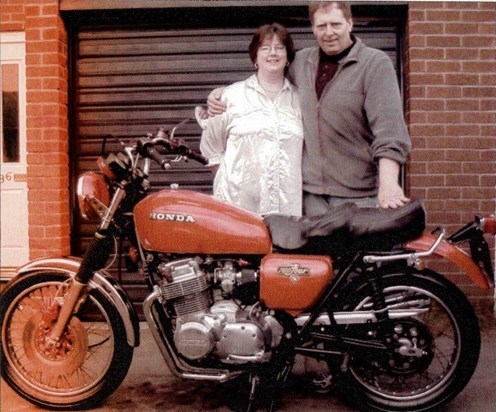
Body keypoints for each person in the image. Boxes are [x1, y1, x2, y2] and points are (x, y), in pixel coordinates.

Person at [206, 1, 411, 215]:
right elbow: (269, 76)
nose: (329, 33)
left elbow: (389, 131)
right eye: (322, 26)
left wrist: (389, 184)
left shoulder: (374, 64)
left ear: (350, 23)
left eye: (336, 24)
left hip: (358, 197)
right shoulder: (302, 62)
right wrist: (223, 93)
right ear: (313, 28)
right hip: (309, 199)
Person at [197, 23, 303, 216]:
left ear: (288, 57)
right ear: (255, 57)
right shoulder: (231, 96)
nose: (273, 53)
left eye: (280, 48)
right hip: (238, 207)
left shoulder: (300, 100)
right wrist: (227, 180)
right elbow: (211, 145)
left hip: (286, 210)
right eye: (265, 48)